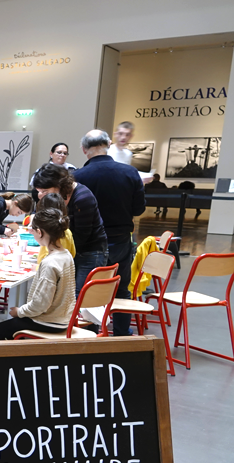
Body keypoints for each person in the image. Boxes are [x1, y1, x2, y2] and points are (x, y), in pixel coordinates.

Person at [73, 129, 146, 337]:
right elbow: (138, 209)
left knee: (90, 290)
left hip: (90, 243)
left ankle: (91, 332)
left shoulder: (78, 176)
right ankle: (122, 332)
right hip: (121, 240)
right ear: (108, 144)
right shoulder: (130, 172)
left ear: (84, 149)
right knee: (122, 288)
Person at [0, 207, 76, 340]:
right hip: (64, 319)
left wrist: (19, 312)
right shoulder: (66, 255)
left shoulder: (50, 263)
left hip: (48, 321)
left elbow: (40, 304)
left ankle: (11, 360)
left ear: (39, 232)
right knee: (12, 326)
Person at [33, 164, 107, 294]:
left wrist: (56, 251)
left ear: (59, 185)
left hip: (90, 252)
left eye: (45, 191)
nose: (42, 195)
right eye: (39, 191)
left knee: (80, 298)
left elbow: (81, 236)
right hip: (72, 250)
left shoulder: (82, 198)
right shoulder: (60, 196)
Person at [34, 193, 76, 265]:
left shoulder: (49, 234)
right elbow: (73, 253)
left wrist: (38, 268)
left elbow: (50, 263)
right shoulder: (66, 231)